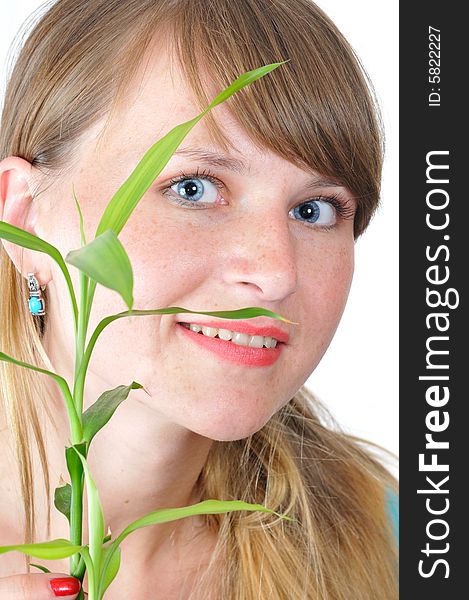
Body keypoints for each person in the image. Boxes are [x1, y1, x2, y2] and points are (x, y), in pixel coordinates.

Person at [0, 0, 398, 598]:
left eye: (315, 210)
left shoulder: (394, 540)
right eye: (193, 188)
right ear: (26, 220)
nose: (275, 273)